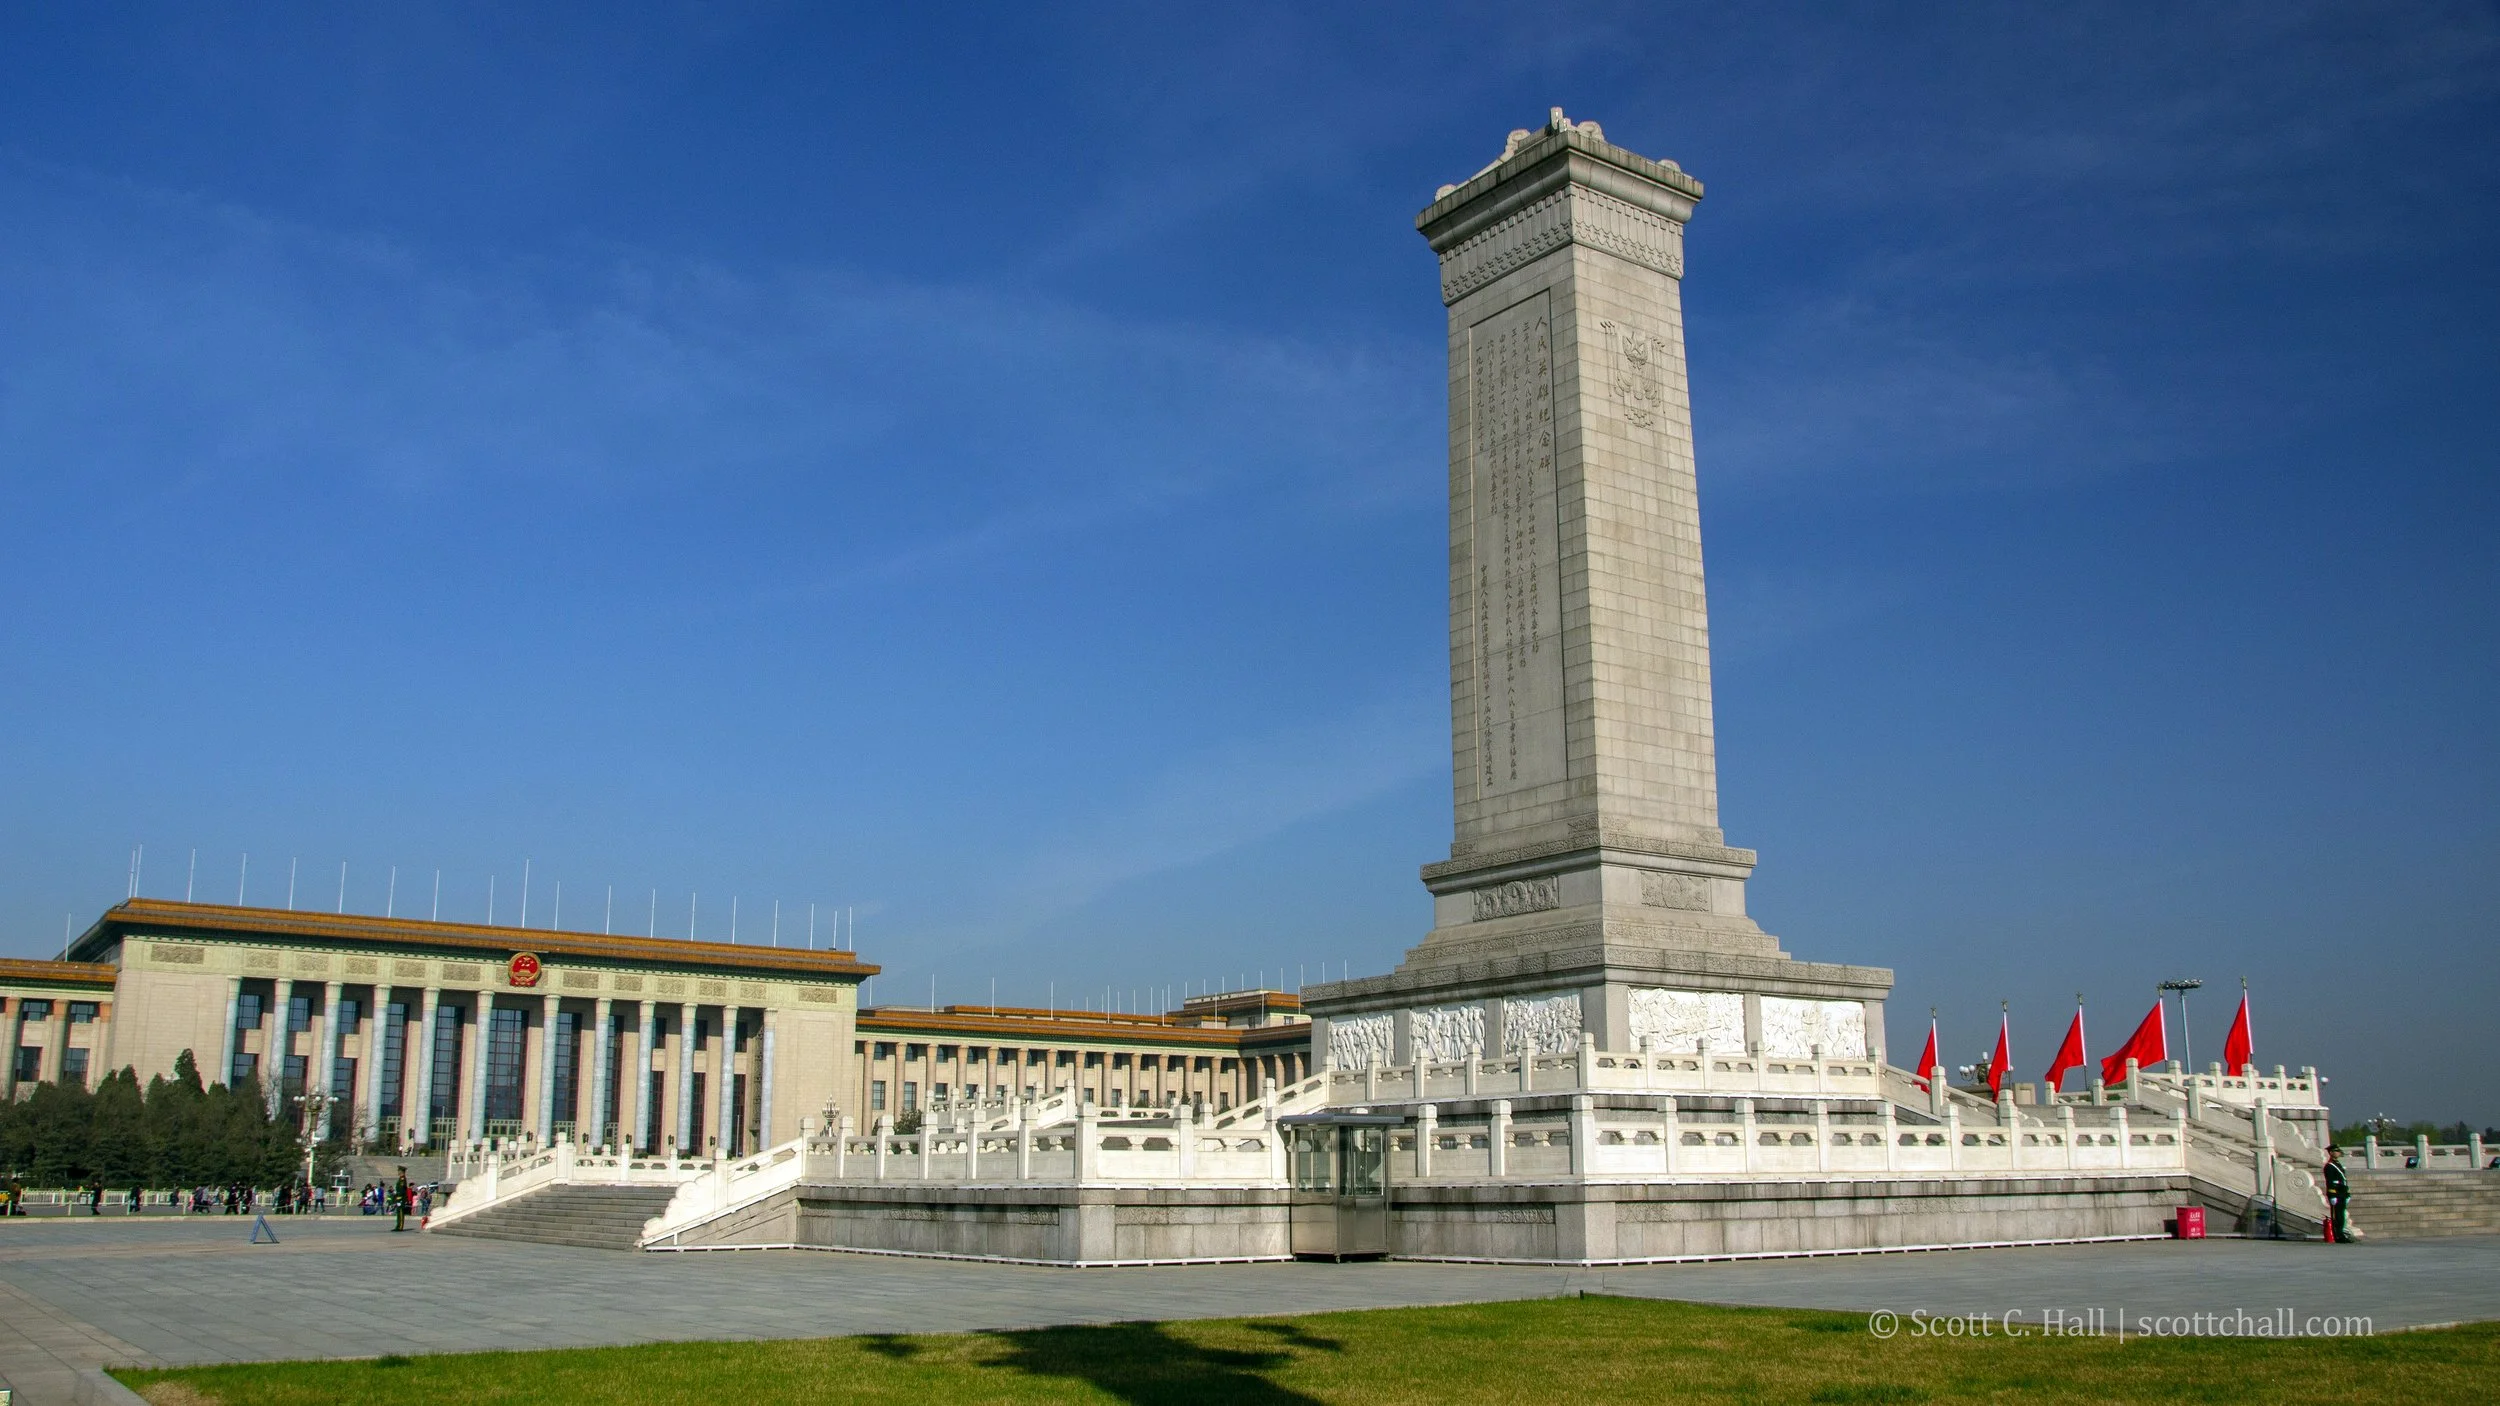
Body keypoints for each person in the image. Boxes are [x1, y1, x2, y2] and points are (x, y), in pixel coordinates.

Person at [2324, 1145, 2353, 1243]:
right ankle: (2337, 1235)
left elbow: (2343, 1180)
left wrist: (2347, 1193)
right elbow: (2330, 1182)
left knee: (2341, 1215)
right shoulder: (2329, 1166)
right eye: (2336, 1151)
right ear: (2331, 1153)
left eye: (2338, 1151)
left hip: (2342, 1192)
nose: (2338, 1153)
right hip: (2336, 1193)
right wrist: (2332, 1195)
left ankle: (2341, 1233)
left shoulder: (2337, 1164)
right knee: (2337, 1215)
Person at [391, 1167, 409, 1233]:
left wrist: (398, 1194)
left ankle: (400, 1226)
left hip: (401, 1198)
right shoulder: (400, 1178)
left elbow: (402, 1189)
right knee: (398, 1212)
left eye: (398, 1171)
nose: (398, 1172)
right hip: (399, 1198)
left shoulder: (402, 1178)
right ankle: (397, 1226)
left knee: (401, 1212)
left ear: (401, 1171)